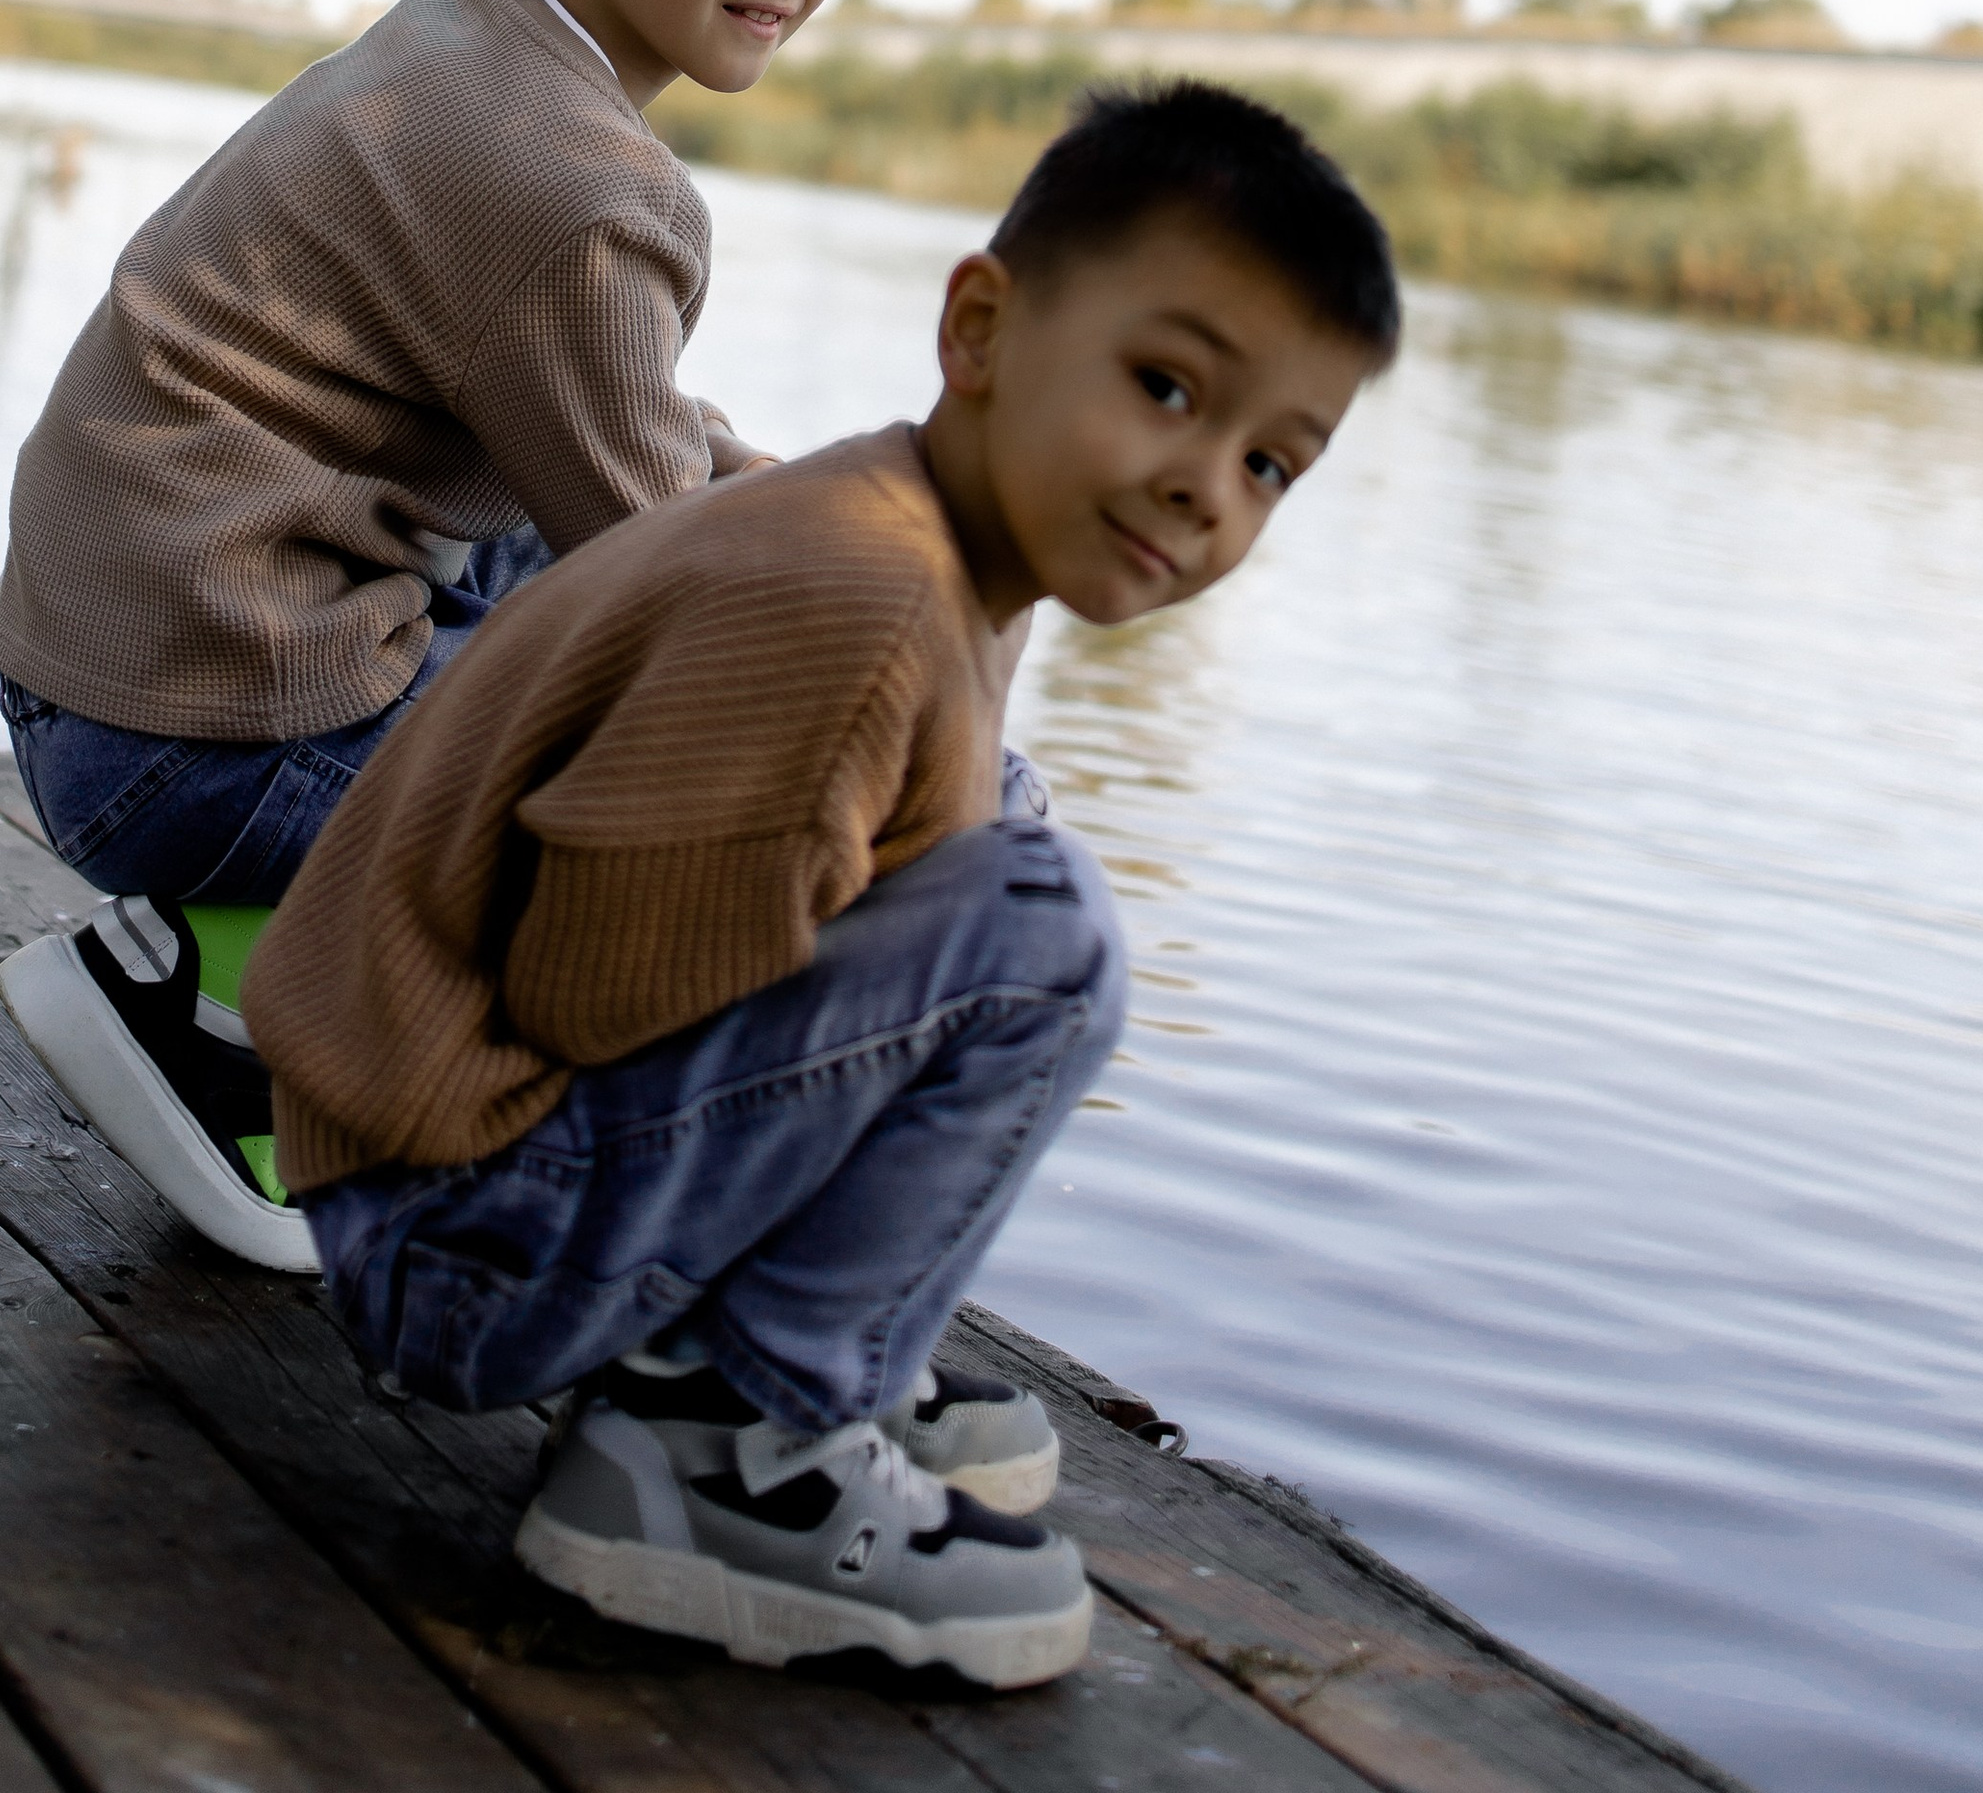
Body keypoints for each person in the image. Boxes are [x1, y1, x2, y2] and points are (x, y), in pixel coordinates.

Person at [245, 81, 1402, 1690]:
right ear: (982, 330)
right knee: (1036, 935)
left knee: (998, 837)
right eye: (1164, 386)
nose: (1209, 484)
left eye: (1274, 462)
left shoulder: (916, 541)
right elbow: (591, 991)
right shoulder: (856, 603)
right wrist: (835, 918)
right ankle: (740, 1437)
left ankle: (767, 1354)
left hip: (439, 1179)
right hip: (458, 1237)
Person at [0, 0, 878, 1267]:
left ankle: (258, 979)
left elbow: (626, 440)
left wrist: (807, 497)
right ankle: (234, 1011)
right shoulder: (585, 188)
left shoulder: (480, 30)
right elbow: (657, 579)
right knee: (701, 817)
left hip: (112, 674)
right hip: (196, 745)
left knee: (601, 572)